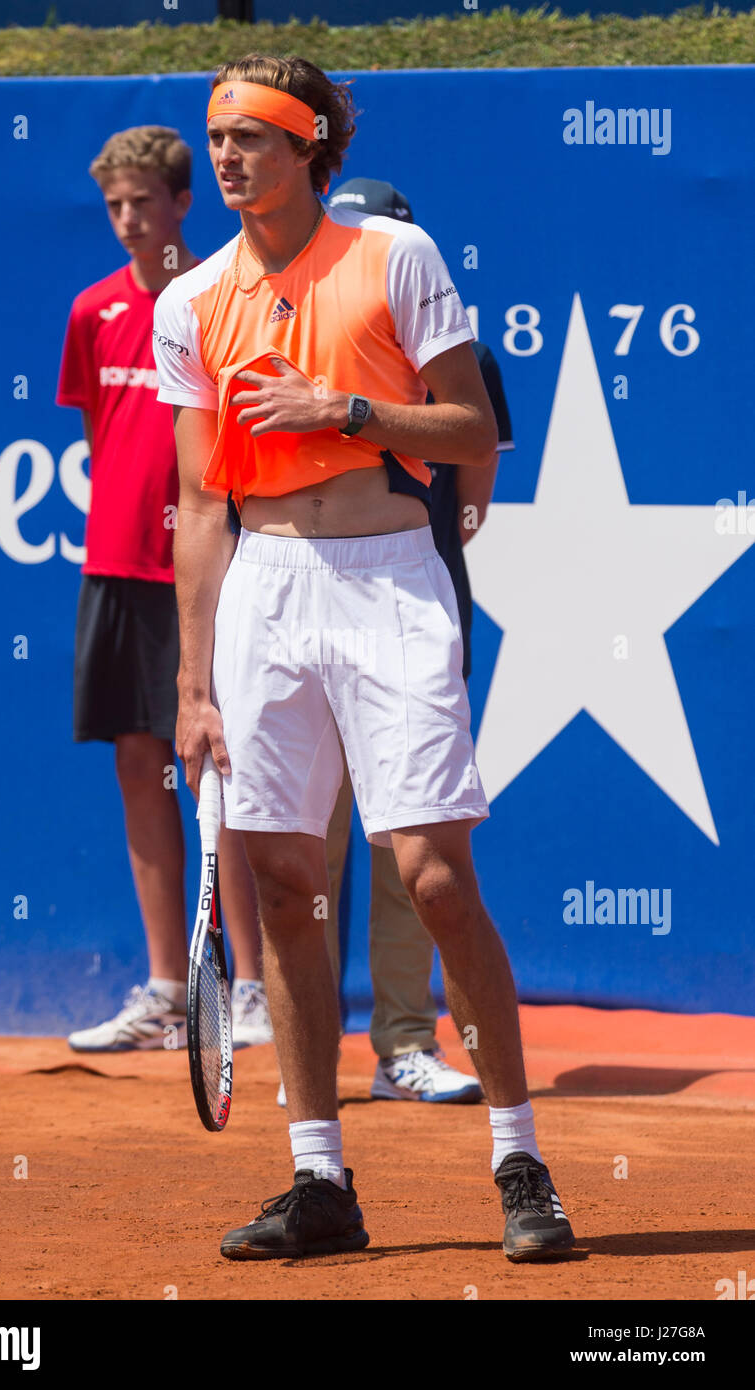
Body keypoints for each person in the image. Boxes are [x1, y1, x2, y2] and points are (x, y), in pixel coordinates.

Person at [154, 57, 575, 1263]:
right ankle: (319, 1180)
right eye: (215, 135)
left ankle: (517, 1156)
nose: (225, 155)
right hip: (262, 592)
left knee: (433, 876)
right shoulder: (190, 302)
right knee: (283, 886)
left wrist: (345, 412)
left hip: (390, 576)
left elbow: (471, 428)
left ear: (309, 146)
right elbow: (195, 503)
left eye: (250, 135)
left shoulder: (396, 258)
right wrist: (193, 682)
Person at [294, 177, 516, 1107]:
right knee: (305, 847)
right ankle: (310, 1056)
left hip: (413, 624)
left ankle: (403, 1044)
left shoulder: (460, 354)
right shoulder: (294, 343)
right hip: (302, 623)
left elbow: (465, 509)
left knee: (411, 853)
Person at [56, 125, 271, 1053]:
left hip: (211, 572)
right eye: (114, 206)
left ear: (185, 203)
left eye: (145, 202)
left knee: (232, 778)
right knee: (140, 767)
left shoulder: (217, 302)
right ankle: (170, 989)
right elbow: (107, 447)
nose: (129, 221)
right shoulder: (92, 312)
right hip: (115, 571)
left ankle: (255, 990)